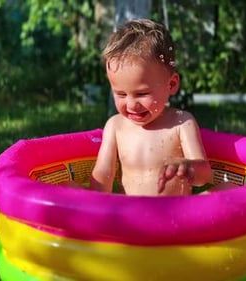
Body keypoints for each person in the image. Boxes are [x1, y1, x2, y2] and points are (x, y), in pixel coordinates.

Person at [90, 19, 212, 196]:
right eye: (121, 94)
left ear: (171, 84)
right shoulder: (115, 126)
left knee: (229, 187)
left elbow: (205, 175)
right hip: (129, 216)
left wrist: (188, 167)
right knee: (67, 186)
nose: (131, 104)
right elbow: (103, 174)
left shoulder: (181, 122)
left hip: (175, 217)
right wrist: (96, 209)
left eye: (142, 94)